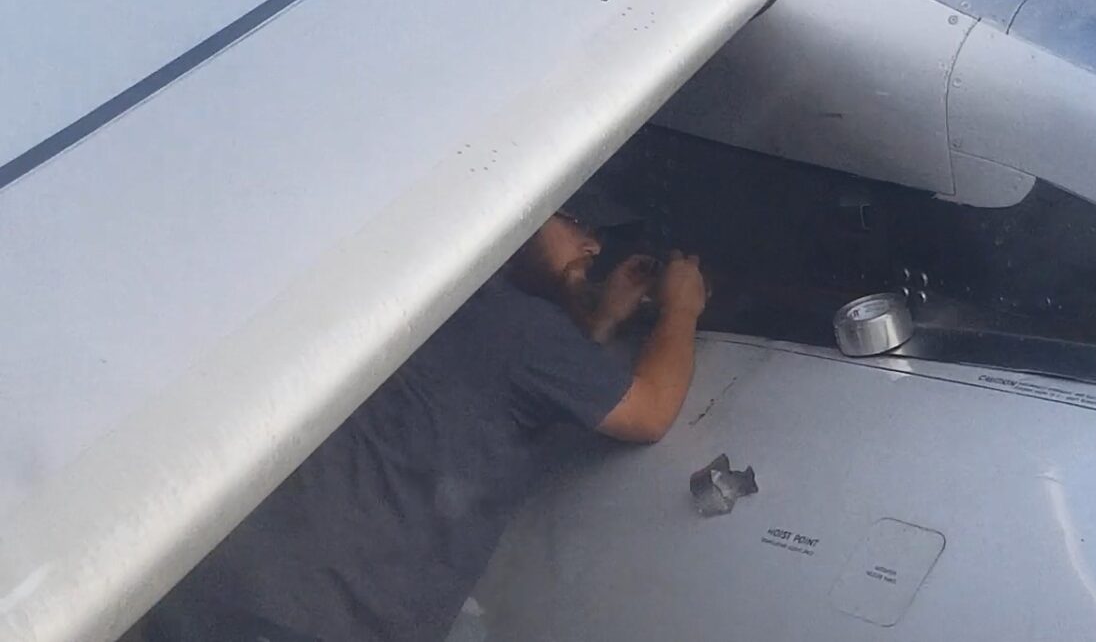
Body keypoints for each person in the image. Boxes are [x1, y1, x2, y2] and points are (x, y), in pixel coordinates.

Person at [131, 187, 708, 642]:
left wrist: (599, 322)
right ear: (522, 211)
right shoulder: (524, 330)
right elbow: (650, 410)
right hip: (322, 621)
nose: (593, 247)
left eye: (600, 237)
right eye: (578, 222)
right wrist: (680, 309)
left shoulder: (444, 301)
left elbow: (520, 382)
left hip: (222, 597)